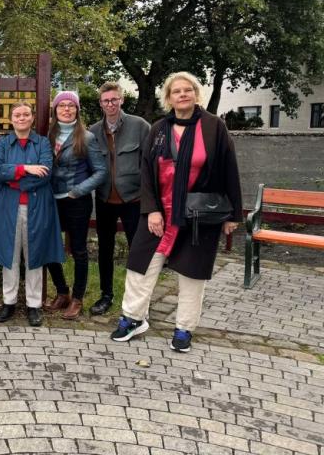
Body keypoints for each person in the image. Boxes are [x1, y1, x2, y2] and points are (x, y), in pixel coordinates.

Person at [111, 72, 242, 352]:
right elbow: (146, 170)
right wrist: (152, 209)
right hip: (160, 211)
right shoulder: (159, 129)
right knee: (140, 266)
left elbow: (230, 168)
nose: (182, 95)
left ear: (196, 94)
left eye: (187, 90)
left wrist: (233, 215)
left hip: (198, 215)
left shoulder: (214, 127)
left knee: (193, 275)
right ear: (168, 98)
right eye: (176, 91)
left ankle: (184, 329)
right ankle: (133, 318)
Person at [0, 102, 64, 327]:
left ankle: (33, 305)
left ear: (32, 118)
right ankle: (8, 302)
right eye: (17, 115)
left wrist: (14, 179)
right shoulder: (3, 143)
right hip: (8, 208)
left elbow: (45, 173)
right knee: (10, 255)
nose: (21, 118)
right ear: (11, 119)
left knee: (34, 256)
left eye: (26, 114)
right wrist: (25, 169)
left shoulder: (43, 143)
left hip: (37, 208)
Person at [43, 91, 107, 320]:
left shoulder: (86, 137)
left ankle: (77, 299)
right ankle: (62, 292)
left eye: (71, 106)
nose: (67, 109)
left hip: (76, 201)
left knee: (79, 250)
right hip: (51, 200)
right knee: (49, 246)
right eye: (62, 106)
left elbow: (101, 171)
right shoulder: (47, 135)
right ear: (55, 110)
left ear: (77, 110)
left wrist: (78, 190)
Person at [88, 83, 150, 316]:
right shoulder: (93, 131)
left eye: (114, 99)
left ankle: (138, 300)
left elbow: (149, 164)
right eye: (106, 101)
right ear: (101, 104)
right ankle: (106, 295)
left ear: (122, 100)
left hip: (133, 199)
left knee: (138, 250)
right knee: (105, 249)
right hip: (104, 199)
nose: (110, 104)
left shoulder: (139, 126)